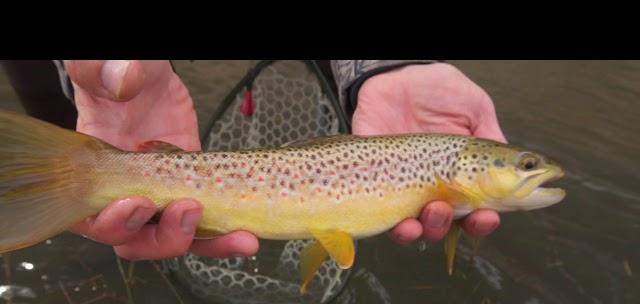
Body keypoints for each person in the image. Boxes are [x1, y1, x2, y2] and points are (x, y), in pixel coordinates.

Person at [4, 60, 505, 260]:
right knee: (101, 221)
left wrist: (386, 64)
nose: (535, 173)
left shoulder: (445, 172)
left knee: (116, 220)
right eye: (524, 166)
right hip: (74, 79)